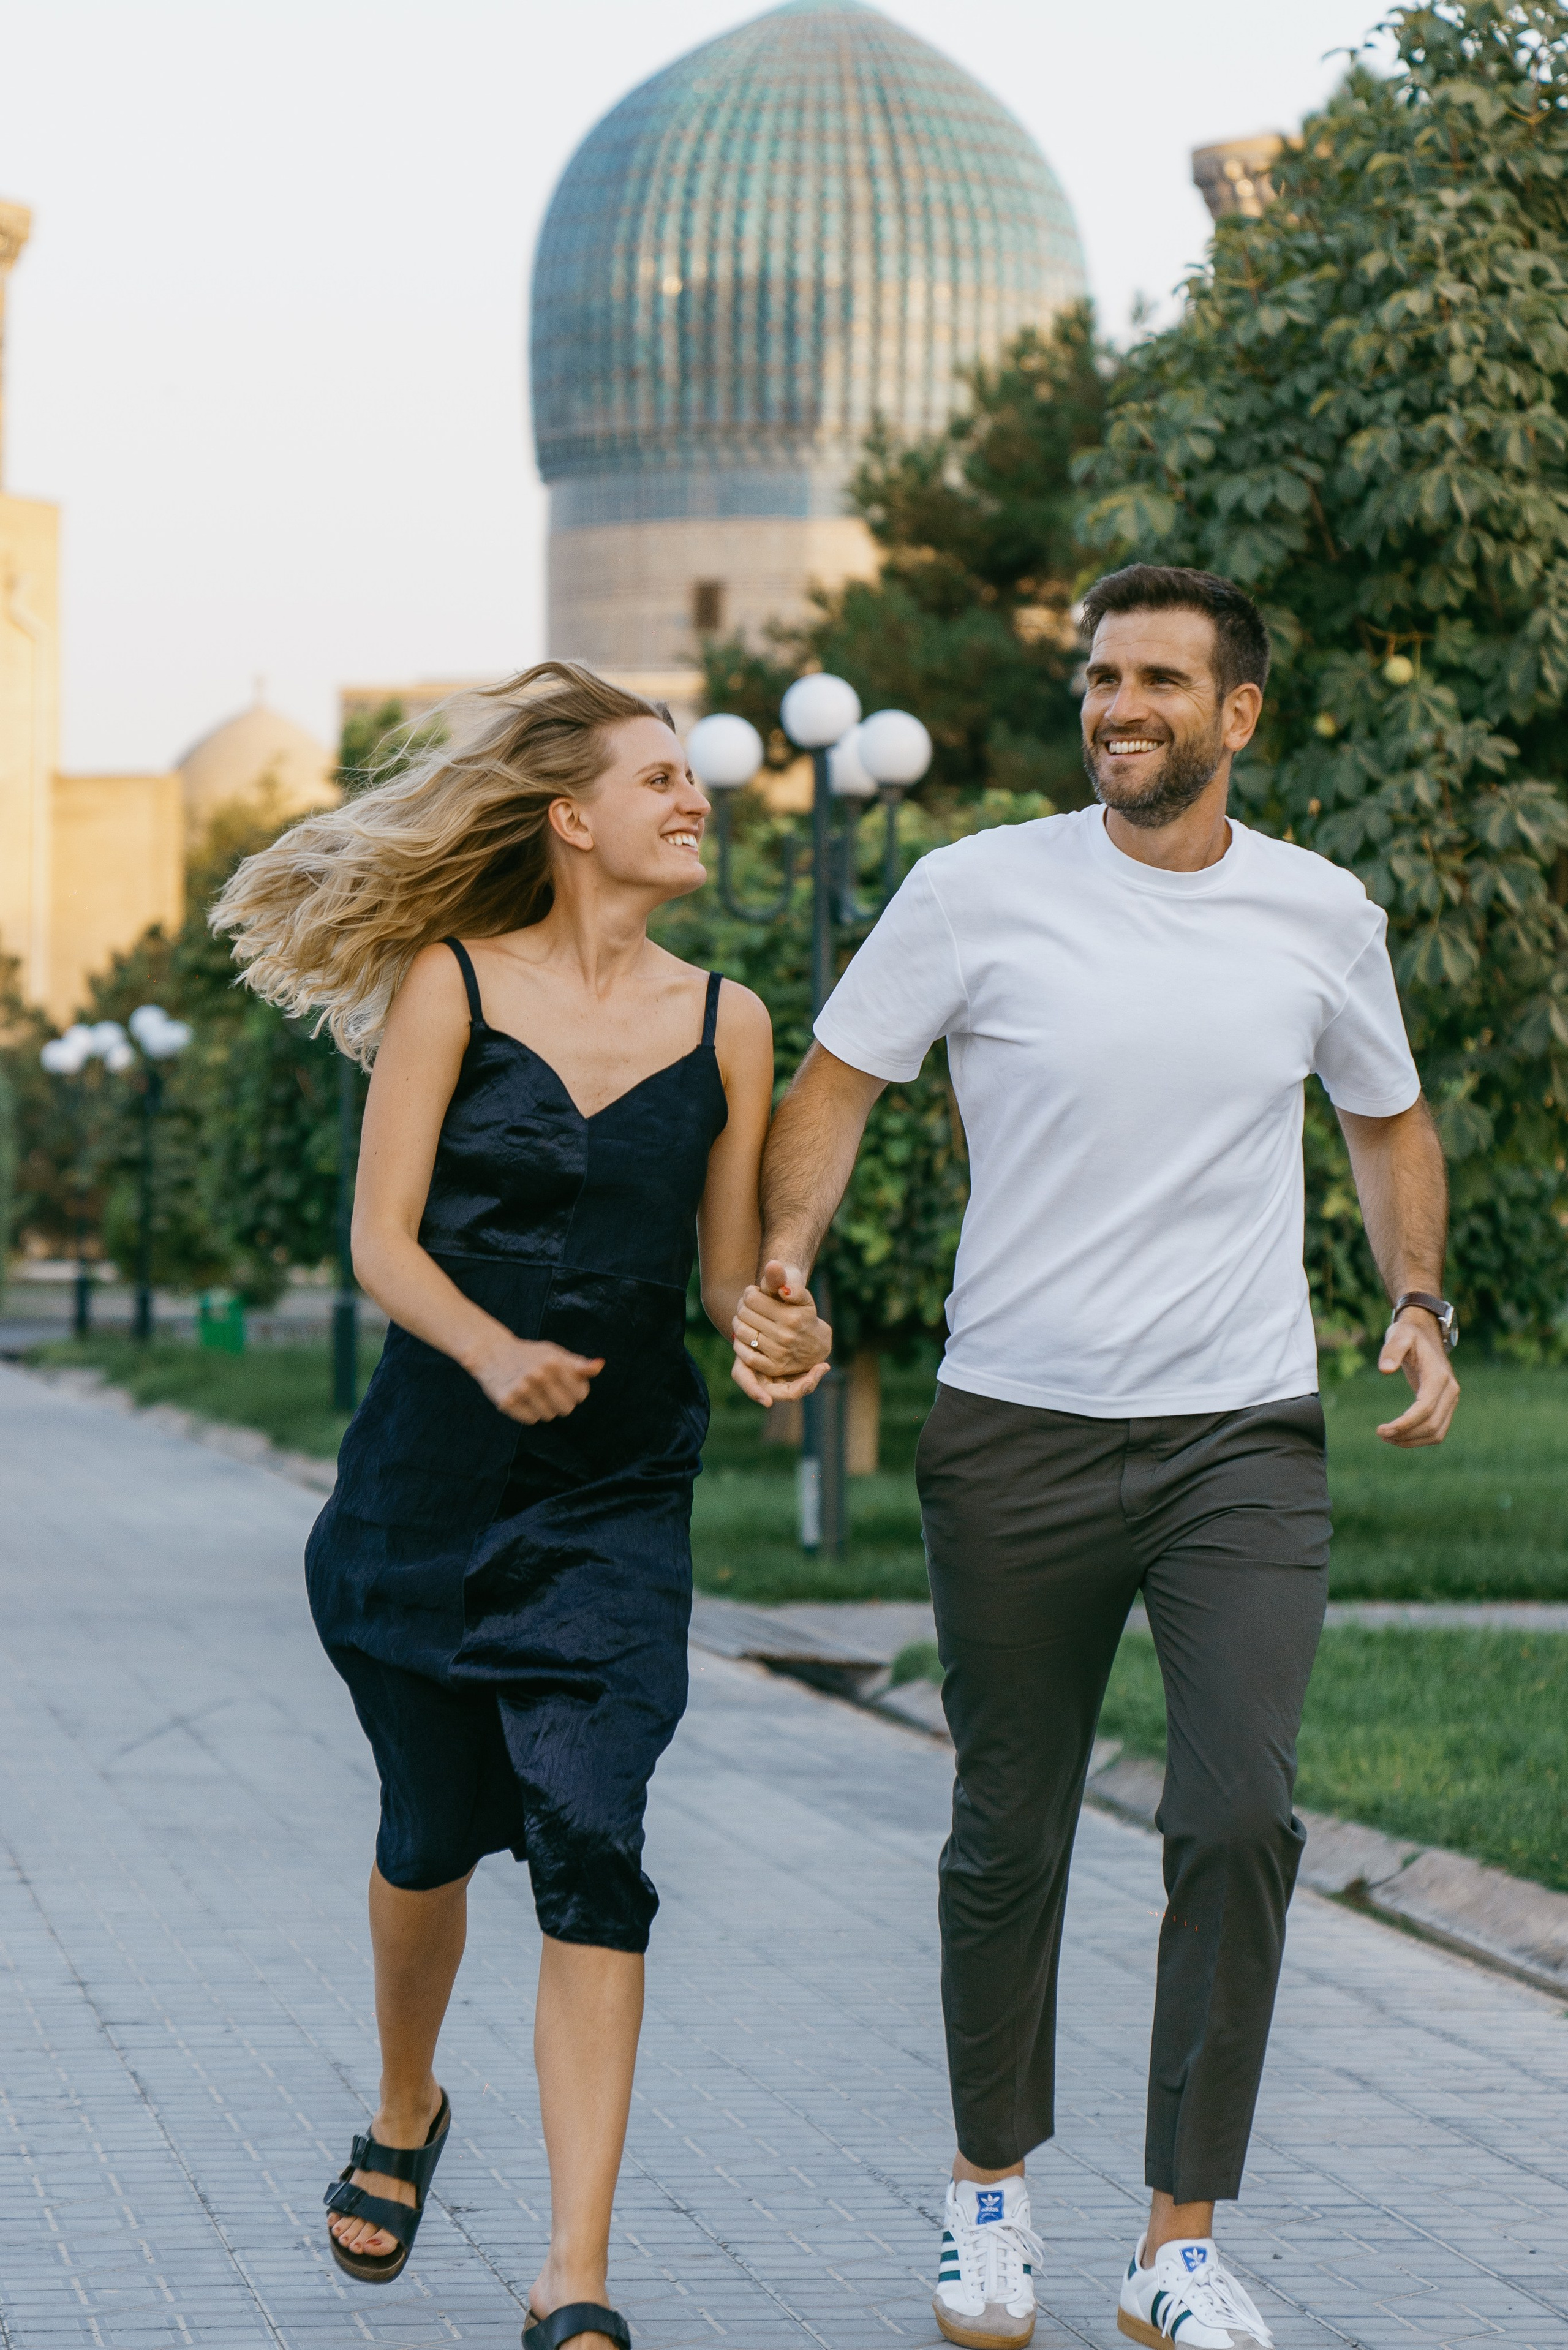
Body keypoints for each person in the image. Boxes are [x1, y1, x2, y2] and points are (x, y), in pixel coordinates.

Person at [737, 567, 1460, 2350]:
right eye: (1099, 675)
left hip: (1241, 1436)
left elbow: (1387, 1120)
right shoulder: (973, 890)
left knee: (1239, 1816)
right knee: (1010, 1831)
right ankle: (989, 2199)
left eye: (1158, 680)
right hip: (1016, 1430)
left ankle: (1176, 2246)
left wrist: (1418, 1299)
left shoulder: (1321, 913)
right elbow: (836, 1082)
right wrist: (785, 1266)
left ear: (1239, 714)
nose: (1118, 706)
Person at [214, 663, 830, 2350]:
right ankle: (406, 2102)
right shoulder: (454, 984)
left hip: (612, 1496)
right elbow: (381, 1239)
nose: (693, 800)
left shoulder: (729, 1023)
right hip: (428, 1485)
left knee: (594, 1840)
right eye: (659, 779)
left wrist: (781, 1330)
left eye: (692, 779)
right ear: (569, 817)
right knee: (429, 1837)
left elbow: (727, 1279)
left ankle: (576, 2273)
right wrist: (490, 1351)